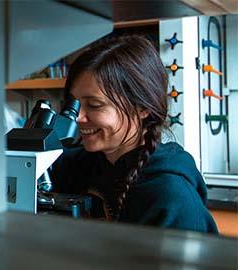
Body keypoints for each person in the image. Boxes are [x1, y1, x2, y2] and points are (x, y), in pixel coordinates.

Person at [49, 35, 218, 233]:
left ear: (142, 108)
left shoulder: (172, 197)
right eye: (75, 104)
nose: (77, 117)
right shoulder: (81, 164)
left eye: (94, 105)